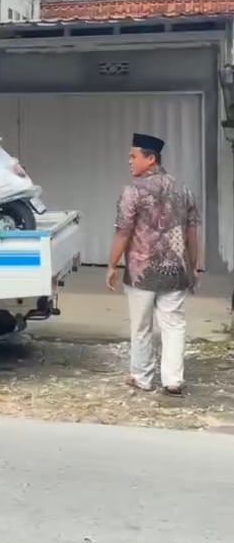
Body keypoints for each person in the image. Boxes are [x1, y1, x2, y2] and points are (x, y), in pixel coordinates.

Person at [106, 132, 200, 395]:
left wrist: (112, 264)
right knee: (174, 324)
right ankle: (173, 380)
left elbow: (123, 231)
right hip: (177, 271)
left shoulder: (132, 191)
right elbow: (192, 231)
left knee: (141, 326)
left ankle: (142, 377)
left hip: (141, 272)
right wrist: (194, 266)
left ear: (151, 158)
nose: (129, 162)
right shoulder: (184, 190)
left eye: (133, 156)